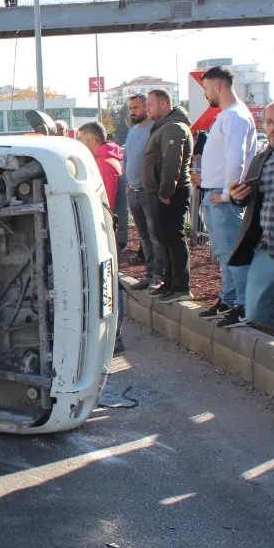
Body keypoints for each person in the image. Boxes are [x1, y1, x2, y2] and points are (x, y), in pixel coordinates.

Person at [227, 100, 274, 438]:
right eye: (269, 121)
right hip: (264, 253)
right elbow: (251, 195)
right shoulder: (262, 157)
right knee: (254, 311)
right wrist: (237, 195)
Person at [192, 66, 258, 326]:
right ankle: (229, 299)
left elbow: (236, 158)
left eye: (206, 89)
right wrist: (207, 181)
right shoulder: (229, 115)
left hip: (222, 196)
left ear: (218, 86)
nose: (206, 95)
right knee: (224, 252)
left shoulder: (235, 116)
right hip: (216, 192)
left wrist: (228, 195)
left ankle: (243, 305)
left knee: (232, 252)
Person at [141, 89, 194, 303]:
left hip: (171, 194)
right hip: (161, 193)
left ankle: (181, 287)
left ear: (163, 104)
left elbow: (172, 162)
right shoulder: (164, 126)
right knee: (165, 238)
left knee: (174, 238)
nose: (147, 109)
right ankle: (170, 283)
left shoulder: (174, 127)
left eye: (150, 105)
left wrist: (165, 192)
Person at [78, 121, 126, 353]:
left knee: (110, 282)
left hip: (109, 232)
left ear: (93, 141)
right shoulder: (104, 161)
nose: (78, 143)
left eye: (81, 138)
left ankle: (114, 336)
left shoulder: (104, 164)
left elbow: (105, 206)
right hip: (109, 231)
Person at [126, 95, 165, 291]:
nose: (133, 111)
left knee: (155, 235)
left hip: (150, 192)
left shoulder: (155, 130)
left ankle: (160, 275)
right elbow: (128, 158)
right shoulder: (132, 131)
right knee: (144, 237)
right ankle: (149, 274)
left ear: (146, 108)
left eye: (137, 107)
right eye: (131, 108)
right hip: (134, 192)